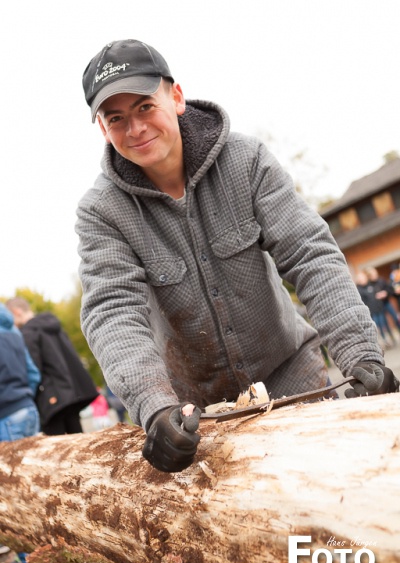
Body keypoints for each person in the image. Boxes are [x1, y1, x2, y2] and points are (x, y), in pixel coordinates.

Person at [76, 39, 399, 473]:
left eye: (144, 107)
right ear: (102, 128)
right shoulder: (101, 212)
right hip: (198, 416)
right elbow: (112, 313)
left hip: (292, 377)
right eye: (116, 118)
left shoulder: (246, 161)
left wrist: (361, 353)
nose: (134, 128)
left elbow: (310, 255)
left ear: (175, 96)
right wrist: (154, 406)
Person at [0, 303, 48, 563]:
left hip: (6, 416)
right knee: (33, 485)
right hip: (27, 410)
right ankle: (48, 556)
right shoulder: (13, 333)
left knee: (12, 493)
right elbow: (33, 374)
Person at [6, 298, 98, 436]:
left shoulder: (28, 333)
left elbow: (34, 369)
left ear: (16, 312)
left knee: (58, 450)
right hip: (72, 394)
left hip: (50, 398)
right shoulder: (55, 327)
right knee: (79, 440)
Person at [354, 272, 394, 347]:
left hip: (379, 309)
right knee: (376, 327)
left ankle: (387, 340)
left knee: (383, 325)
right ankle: (379, 343)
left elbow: (378, 295)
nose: (363, 280)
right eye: (361, 279)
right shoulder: (359, 290)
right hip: (372, 312)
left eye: (363, 278)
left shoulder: (372, 285)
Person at [365, 267, 400, 338]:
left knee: (395, 317)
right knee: (385, 323)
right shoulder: (369, 285)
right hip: (379, 306)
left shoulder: (381, 280)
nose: (375, 275)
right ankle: (390, 336)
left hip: (386, 302)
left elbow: (390, 289)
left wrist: (385, 293)